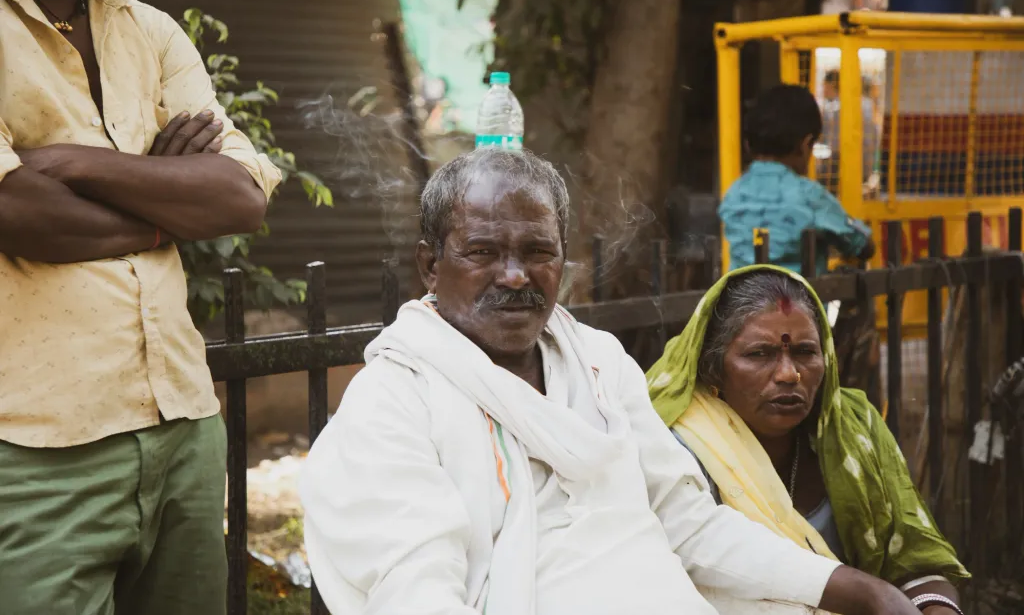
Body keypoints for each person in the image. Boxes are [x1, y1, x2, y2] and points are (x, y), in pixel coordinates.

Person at [301, 146, 929, 615]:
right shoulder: (395, 398)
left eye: (538, 251)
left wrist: (856, 588)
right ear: (429, 266)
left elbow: (690, 524)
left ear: (563, 257)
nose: (516, 276)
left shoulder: (598, 362)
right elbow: (419, 588)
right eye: (484, 251)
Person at [0, 0, 281, 613]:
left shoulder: (150, 30)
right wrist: (165, 196)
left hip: (183, 423)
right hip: (34, 442)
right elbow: (19, 211)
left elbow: (239, 195)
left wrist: (75, 164)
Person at [647, 266, 970, 615]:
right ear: (713, 367)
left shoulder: (853, 429)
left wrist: (936, 609)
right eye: (759, 354)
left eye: (804, 352)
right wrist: (872, 596)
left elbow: (917, 561)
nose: (789, 374)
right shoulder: (678, 446)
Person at [719, 84, 875, 276]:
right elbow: (862, 246)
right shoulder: (809, 196)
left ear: (747, 146)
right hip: (796, 304)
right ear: (805, 145)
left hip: (740, 302)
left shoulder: (734, 193)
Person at [819, 69, 881, 194]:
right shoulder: (868, 104)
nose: (823, 91)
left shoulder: (839, 108)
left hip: (847, 167)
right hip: (867, 165)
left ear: (832, 85)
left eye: (824, 86)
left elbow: (835, 146)